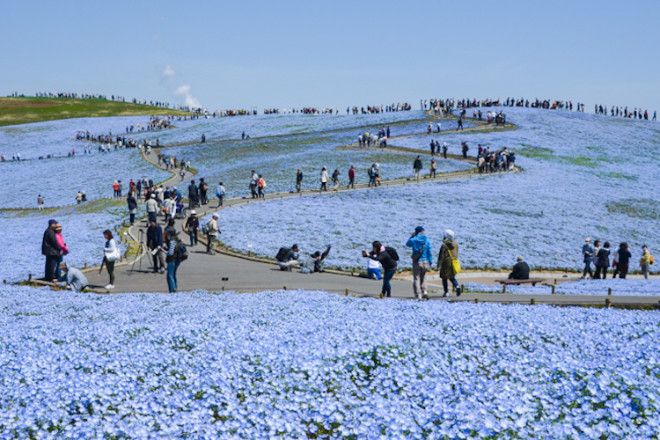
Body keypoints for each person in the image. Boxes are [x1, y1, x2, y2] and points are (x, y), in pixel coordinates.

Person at [406, 226, 432, 300]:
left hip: (417, 261)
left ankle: (418, 295)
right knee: (424, 277)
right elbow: (429, 251)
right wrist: (430, 261)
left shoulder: (414, 240)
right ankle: (425, 292)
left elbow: (407, 244)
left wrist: (412, 236)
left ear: (416, 232)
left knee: (416, 278)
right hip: (425, 261)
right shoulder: (427, 240)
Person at [437, 229, 461, 297]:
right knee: (452, 277)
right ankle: (457, 286)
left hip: (446, 263)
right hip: (453, 262)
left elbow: (441, 256)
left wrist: (438, 265)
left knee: (444, 278)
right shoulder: (455, 243)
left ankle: (446, 292)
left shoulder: (444, 245)